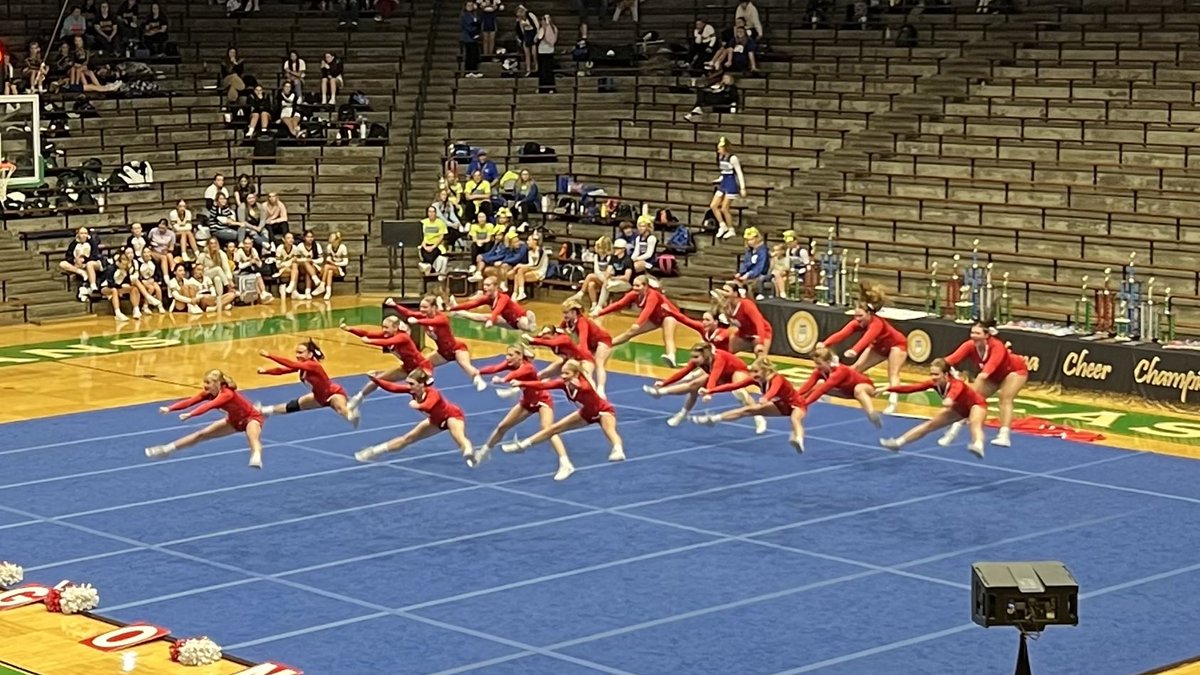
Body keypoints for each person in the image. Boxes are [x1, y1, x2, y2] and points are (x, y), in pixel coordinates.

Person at [476, 345, 574, 480]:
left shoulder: (527, 367)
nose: (507, 358)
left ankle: (565, 463)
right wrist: (476, 371)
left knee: (548, 430)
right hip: (527, 401)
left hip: (542, 400)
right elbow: (494, 368)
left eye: (510, 355)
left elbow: (515, 375)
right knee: (502, 426)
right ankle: (485, 451)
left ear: (519, 356)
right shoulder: (512, 363)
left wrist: (503, 380)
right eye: (507, 355)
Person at [498, 359, 624, 461]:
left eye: (567, 374)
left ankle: (618, 450)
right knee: (553, 429)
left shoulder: (584, 384)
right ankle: (522, 445)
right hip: (586, 413)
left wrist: (579, 385)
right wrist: (522, 383)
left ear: (576, 374)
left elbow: (586, 388)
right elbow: (543, 385)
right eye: (562, 373)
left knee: (609, 430)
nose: (563, 376)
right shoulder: (564, 384)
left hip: (603, 411)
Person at [146, 370, 266, 468]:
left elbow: (209, 405)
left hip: (251, 417)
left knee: (252, 438)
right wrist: (170, 408)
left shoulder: (227, 394)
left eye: (208, 383)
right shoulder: (208, 393)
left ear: (217, 383)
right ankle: (166, 449)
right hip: (233, 421)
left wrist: (191, 414)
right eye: (204, 382)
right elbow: (190, 401)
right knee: (201, 434)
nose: (205, 385)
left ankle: (256, 457)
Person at [355, 370, 478, 465]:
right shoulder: (413, 391)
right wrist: (376, 380)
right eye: (408, 383)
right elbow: (393, 387)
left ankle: (470, 453)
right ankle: (374, 451)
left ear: (421, 384)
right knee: (407, 438)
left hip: (452, 415)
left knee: (459, 437)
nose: (409, 386)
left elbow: (429, 405)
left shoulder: (433, 393)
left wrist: (417, 405)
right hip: (436, 420)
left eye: (412, 384)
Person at [817, 283, 906, 413]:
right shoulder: (857, 323)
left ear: (869, 314)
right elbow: (842, 334)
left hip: (897, 346)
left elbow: (868, 338)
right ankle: (826, 392)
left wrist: (855, 350)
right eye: (855, 316)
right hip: (879, 346)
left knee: (892, 374)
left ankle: (893, 403)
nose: (857, 319)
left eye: (860, 316)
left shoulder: (877, 323)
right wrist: (825, 343)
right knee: (855, 369)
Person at [939, 320, 1029, 448]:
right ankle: (953, 431)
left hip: (1014, 371)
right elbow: (950, 359)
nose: (973, 336)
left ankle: (1004, 435)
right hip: (993, 376)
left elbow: (986, 372)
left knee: (1005, 398)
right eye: (972, 332)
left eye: (977, 333)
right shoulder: (969, 345)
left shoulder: (997, 346)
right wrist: (938, 369)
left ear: (987, 335)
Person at [691, 358, 807, 453]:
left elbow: (774, 389)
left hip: (797, 404)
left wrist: (766, 398)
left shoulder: (777, 378)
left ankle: (799, 440)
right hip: (780, 406)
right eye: (752, 371)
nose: (753, 374)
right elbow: (733, 386)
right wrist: (710, 390)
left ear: (765, 370)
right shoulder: (757, 380)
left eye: (756, 372)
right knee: (747, 410)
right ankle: (713, 419)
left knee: (794, 419)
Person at [879, 358, 987, 458]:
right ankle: (898, 443)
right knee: (930, 425)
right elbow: (911, 388)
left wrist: (949, 399)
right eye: (931, 374)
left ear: (946, 374)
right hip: (959, 409)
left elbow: (955, 391)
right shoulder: (934, 383)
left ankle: (978, 445)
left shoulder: (956, 383)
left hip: (976, 404)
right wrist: (889, 388)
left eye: (936, 374)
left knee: (974, 423)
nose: (933, 377)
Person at [645, 343, 767, 431]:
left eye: (696, 357)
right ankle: (681, 412)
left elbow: (714, 376)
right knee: (693, 386)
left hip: (737, 371)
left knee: (739, 392)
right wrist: (665, 382)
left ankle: (758, 417)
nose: (693, 360)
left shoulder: (718, 359)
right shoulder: (698, 360)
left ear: (705, 355)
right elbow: (683, 372)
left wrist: (709, 393)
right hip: (722, 375)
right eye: (692, 357)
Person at [341, 316, 433, 421]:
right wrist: (350, 329)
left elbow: (387, 343)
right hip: (407, 367)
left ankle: (432, 414)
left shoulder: (402, 337)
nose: (384, 330)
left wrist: (370, 342)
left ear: (395, 328)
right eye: (383, 327)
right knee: (378, 380)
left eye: (387, 327)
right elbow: (367, 333)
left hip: (421, 368)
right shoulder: (387, 334)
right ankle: (356, 400)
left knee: (418, 394)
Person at [386, 296, 487, 390]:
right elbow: (408, 313)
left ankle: (478, 380)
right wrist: (395, 305)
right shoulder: (424, 316)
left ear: (433, 307)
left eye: (425, 307)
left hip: (456, 349)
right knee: (422, 364)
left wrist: (418, 321)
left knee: (464, 365)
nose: (422, 309)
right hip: (443, 353)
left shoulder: (441, 318)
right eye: (421, 307)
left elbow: (432, 322)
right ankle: (423, 382)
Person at [255, 342, 354, 425]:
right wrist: (266, 371)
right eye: (297, 353)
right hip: (319, 397)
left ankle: (352, 414)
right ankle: (264, 411)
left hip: (333, 393)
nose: (297, 355)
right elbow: (282, 370)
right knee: (293, 406)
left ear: (310, 354)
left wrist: (270, 355)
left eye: (301, 352)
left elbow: (291, 364)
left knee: (341, 409)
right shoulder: (303, 367)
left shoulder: (312, 365)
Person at [594, 274, 680, 367]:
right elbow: (619, 304)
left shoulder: (652, 295)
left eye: (638, 286)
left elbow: (647, 310)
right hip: (655, 318)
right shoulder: (634, 294)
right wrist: (600, 312)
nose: (635, 288)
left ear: (645, 286)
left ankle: (671, 357)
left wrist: (638, 324)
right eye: (634, 285)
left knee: (668, 337)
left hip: (668, 315)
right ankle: (606, 345)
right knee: (630, 332)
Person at [795, 346, 881, 426]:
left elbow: (822, 390)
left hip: (867, 388)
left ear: (828, 362)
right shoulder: (819, 371)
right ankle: (796, 404)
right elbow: (808, 384)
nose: (817, 366)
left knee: (858, 390)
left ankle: (871, 413)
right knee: (818, 385)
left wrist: (806, 404)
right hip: (846, 392)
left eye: (819, 363)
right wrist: (795, 397)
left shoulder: (839, 371)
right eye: (815, 363)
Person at [560, 298, 612, 396]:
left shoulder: (582, 322)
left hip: (602, 340)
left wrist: (581, 356)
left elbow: (583, 343)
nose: (564, 315)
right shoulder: (566, 323)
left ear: (574, 312)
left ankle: (600, 389)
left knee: (598, 362)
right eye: (563, 313)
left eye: (566, 313)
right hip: (591, 344)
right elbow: (559, 336)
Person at [451, 275, 537, 331]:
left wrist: (491, 321)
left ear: (496, 286)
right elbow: (471, 304)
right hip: (508, 321)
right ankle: (458, 313)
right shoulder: (488, 298)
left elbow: (497, 310)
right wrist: (453, 308)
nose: (485, 287)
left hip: (519, 318)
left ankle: (530, 323)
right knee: (481, 317)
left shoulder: (504, 297)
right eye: (484, 285)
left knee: (522, 323)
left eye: (488, 285)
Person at [712, 279, 773, 355]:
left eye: (727, 291)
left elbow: (759, 322)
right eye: (723, 290)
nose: (724, 293)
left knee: (760, 357)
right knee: (730, 353)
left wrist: (761, 342)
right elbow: (733, 325)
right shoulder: (727, 307)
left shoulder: (746, 304)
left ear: (735, 294)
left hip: (760, 332)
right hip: (744, 334)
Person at [711, 137, 746, 240]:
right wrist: (719, 179)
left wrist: (743, 188)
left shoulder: (733, 158)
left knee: (724, 208)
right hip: (724, 183)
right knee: (713, 205)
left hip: (731, 183)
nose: (718, 150)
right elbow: (724, 172)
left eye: (720, 148)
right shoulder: (721, 157)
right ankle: (722, 225)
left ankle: (731, 229)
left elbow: (739, 173)